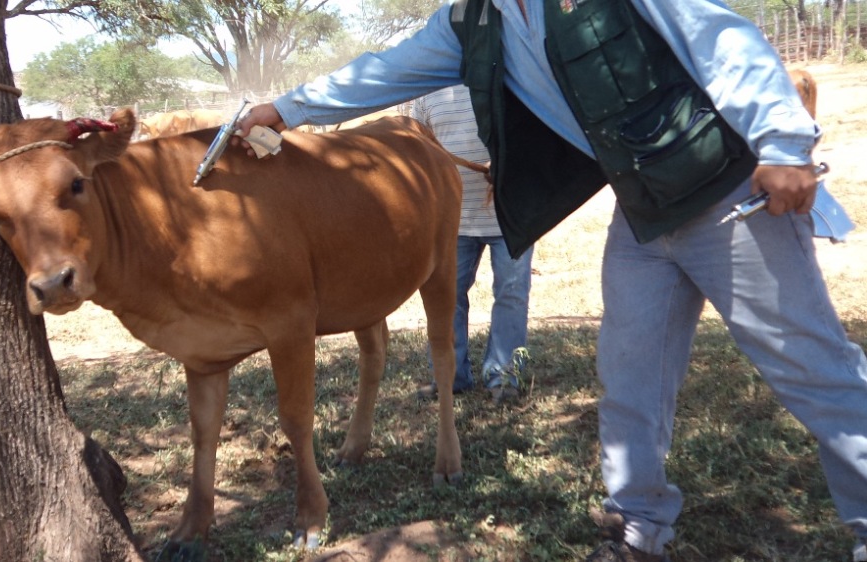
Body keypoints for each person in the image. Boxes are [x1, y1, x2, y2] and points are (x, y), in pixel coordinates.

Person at [235, 0, 867, 560]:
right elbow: (382, 70)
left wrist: (783, 143)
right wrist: (284, 109)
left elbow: (720, 38)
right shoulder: (470, 21)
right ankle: (639, 527)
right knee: (630, 375)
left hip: (731, 194)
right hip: (643, 214)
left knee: (812, 367)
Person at [412, 84, 534, 404]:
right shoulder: (427, 91)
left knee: (511, 294)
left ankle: (504, 376)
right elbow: (418, 150)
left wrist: (513, 161)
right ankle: (450, 377)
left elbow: (536, 135)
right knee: (447, 296)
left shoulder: (511, 82)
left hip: (512, 217)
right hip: (453, 219)